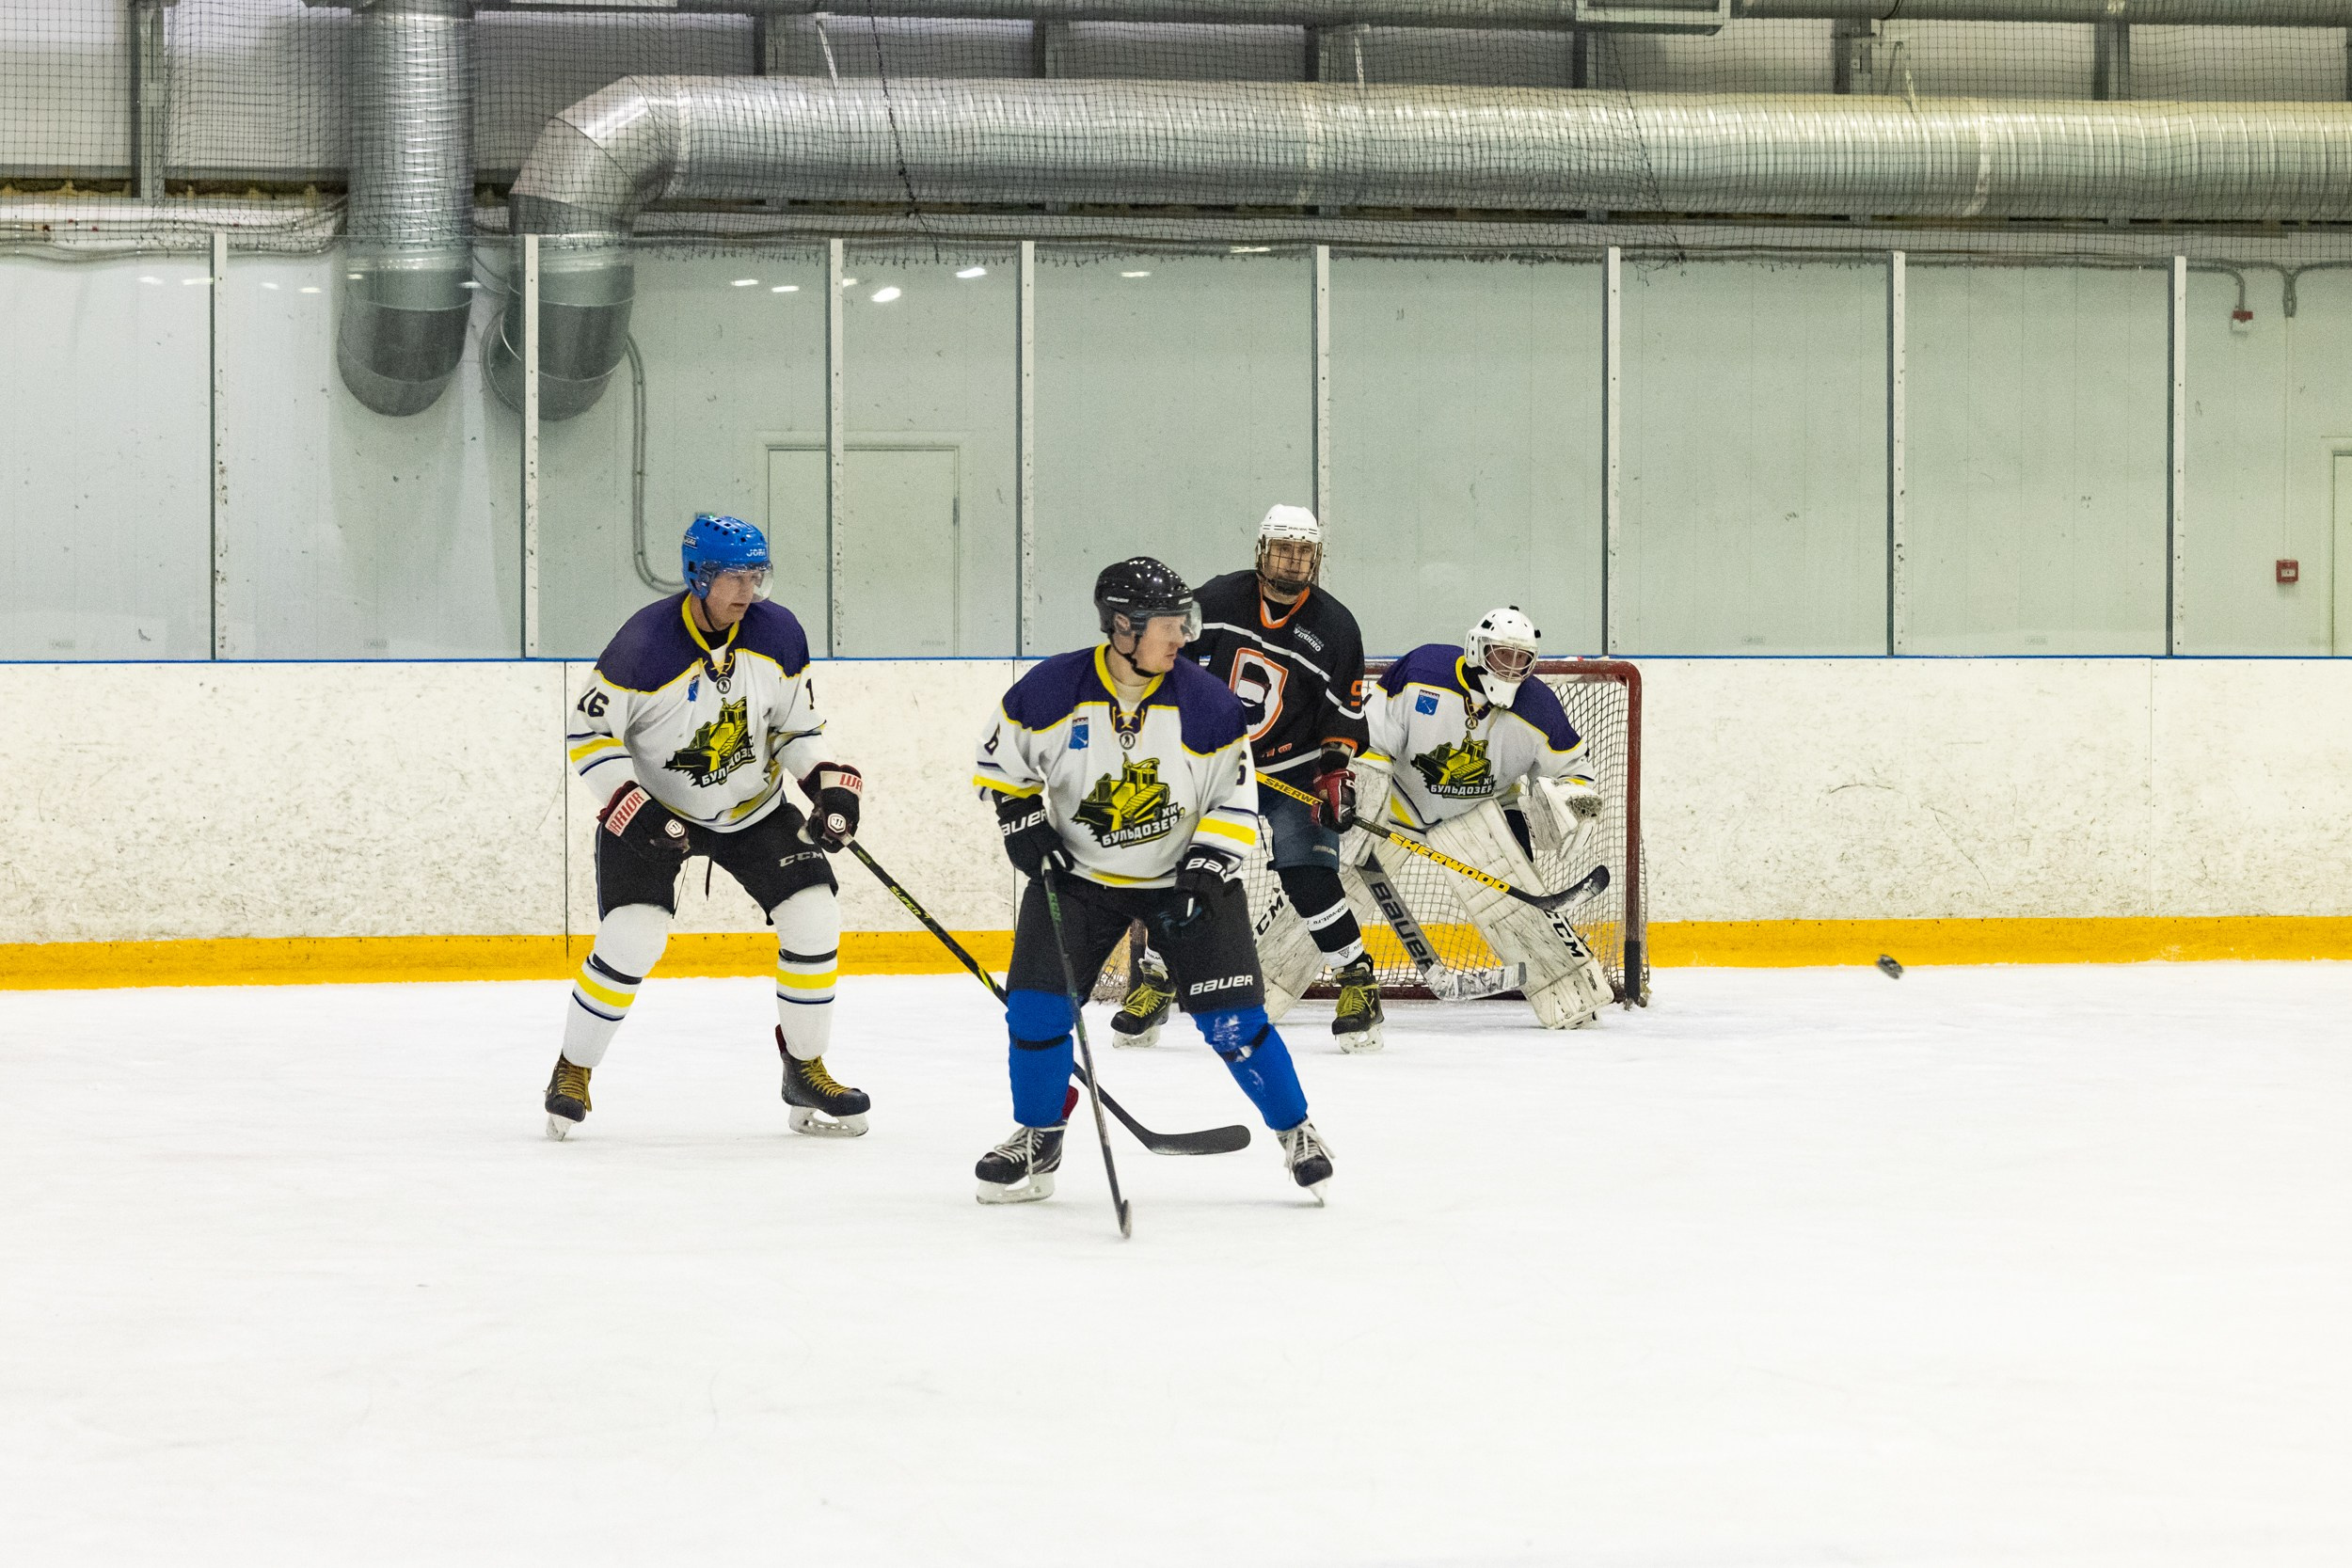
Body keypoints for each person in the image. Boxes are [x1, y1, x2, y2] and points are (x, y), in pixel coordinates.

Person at [970, 557, 1334, 1205]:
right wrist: (1020, 815)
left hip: (1186, 880)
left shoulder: (1208, 703)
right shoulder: (1051, 689)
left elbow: (1235, 796)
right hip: (1080, 878)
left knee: (1234, 1025)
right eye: (1169, 624)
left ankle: (1298, 1131)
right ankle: (1039, 1130)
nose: (1183, 637)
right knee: (1035, 1011)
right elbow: (1002, 760)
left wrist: (1204, 864)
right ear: (1122, 627)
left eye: (1183, 621)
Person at [543, 514, 871, 1138]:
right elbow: (589, 735)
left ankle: (805, 1067)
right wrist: (629, 803)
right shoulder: (644, 645)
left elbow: (794, 728)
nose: (748, 592)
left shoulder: (779, 633)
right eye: (733, 578)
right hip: (656, 812)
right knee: (634, 933)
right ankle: (572, 1068)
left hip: (753, 809)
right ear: (699, 576)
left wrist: (824, 781)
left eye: (756, 575)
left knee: (813, 910)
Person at [1112, 505, 1385, 1051]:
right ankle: (1161, 982)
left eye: (1304, 551)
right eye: (1283, 548)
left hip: (1294, 769)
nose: (1293, 560)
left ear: (1317, 558)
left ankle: (1358, 983)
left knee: (1308, 876)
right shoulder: (1216, 599)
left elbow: (1345, 715)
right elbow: (1166, 665)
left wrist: (1334, 770)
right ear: (1262, 550)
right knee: (1187, 871)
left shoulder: (1336, 626)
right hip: (1220, 767)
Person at [1351, 606, 1614, 1028]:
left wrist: (1574, 804)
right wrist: (1360, 799)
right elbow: (1371, 742)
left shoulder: (1539, 708)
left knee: (1518, 907)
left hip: (1484, 809)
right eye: (1500, 655)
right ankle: (1270, 983)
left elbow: (1577, 774)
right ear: (1477, 647)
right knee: (1329, 883)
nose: (1510, 668)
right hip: (1395, 800)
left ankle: (1569, 994)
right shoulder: (1423, 671)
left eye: (1520, 659)